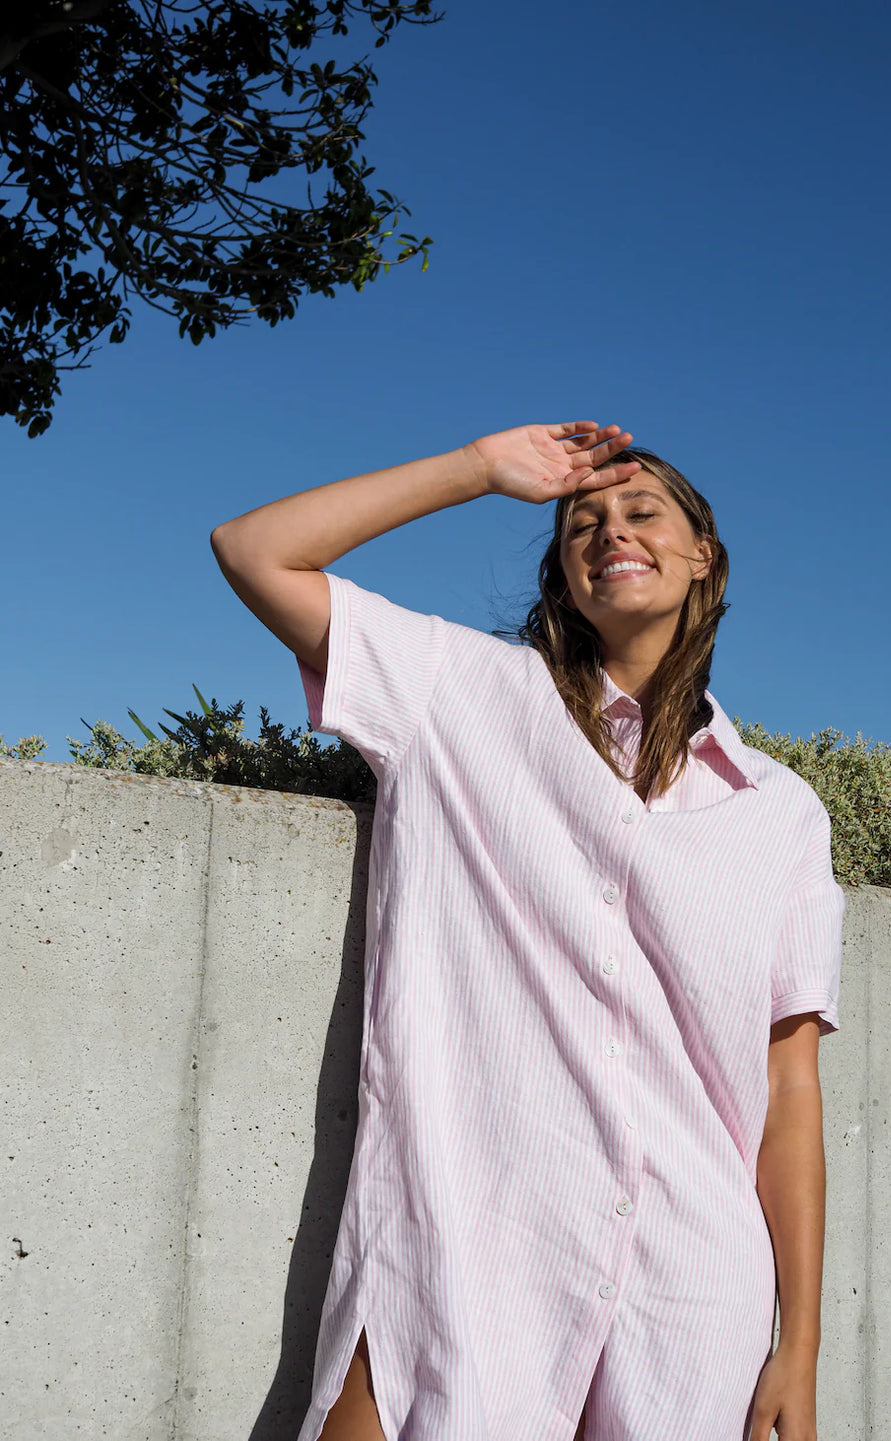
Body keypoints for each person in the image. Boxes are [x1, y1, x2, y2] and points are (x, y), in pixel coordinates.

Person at [210, 421, 846, 1441]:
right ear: (561, 569)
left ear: (702, 556)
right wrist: (478, 471)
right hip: (464, 1244)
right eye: (581, 522)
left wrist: (799, 1346)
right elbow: (255, 549)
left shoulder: (781, 813)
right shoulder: (453, 694)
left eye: (643, 512)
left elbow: (790, 1089)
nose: (609, 531)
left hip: (691, 1291)